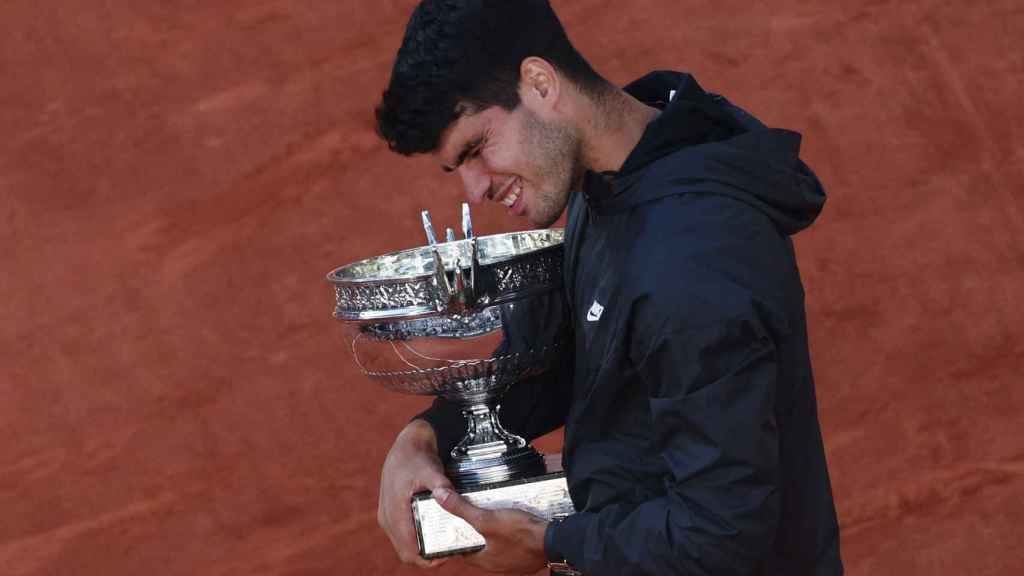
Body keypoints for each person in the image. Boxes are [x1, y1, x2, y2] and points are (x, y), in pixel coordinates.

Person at [372, 1, 843, 574]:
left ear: (540, 83)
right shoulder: (614, 182)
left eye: (477, 148)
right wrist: (425, 436)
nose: (475, 191)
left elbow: (720, 532)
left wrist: (551, 545)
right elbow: (565, 362)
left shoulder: (691, 266)